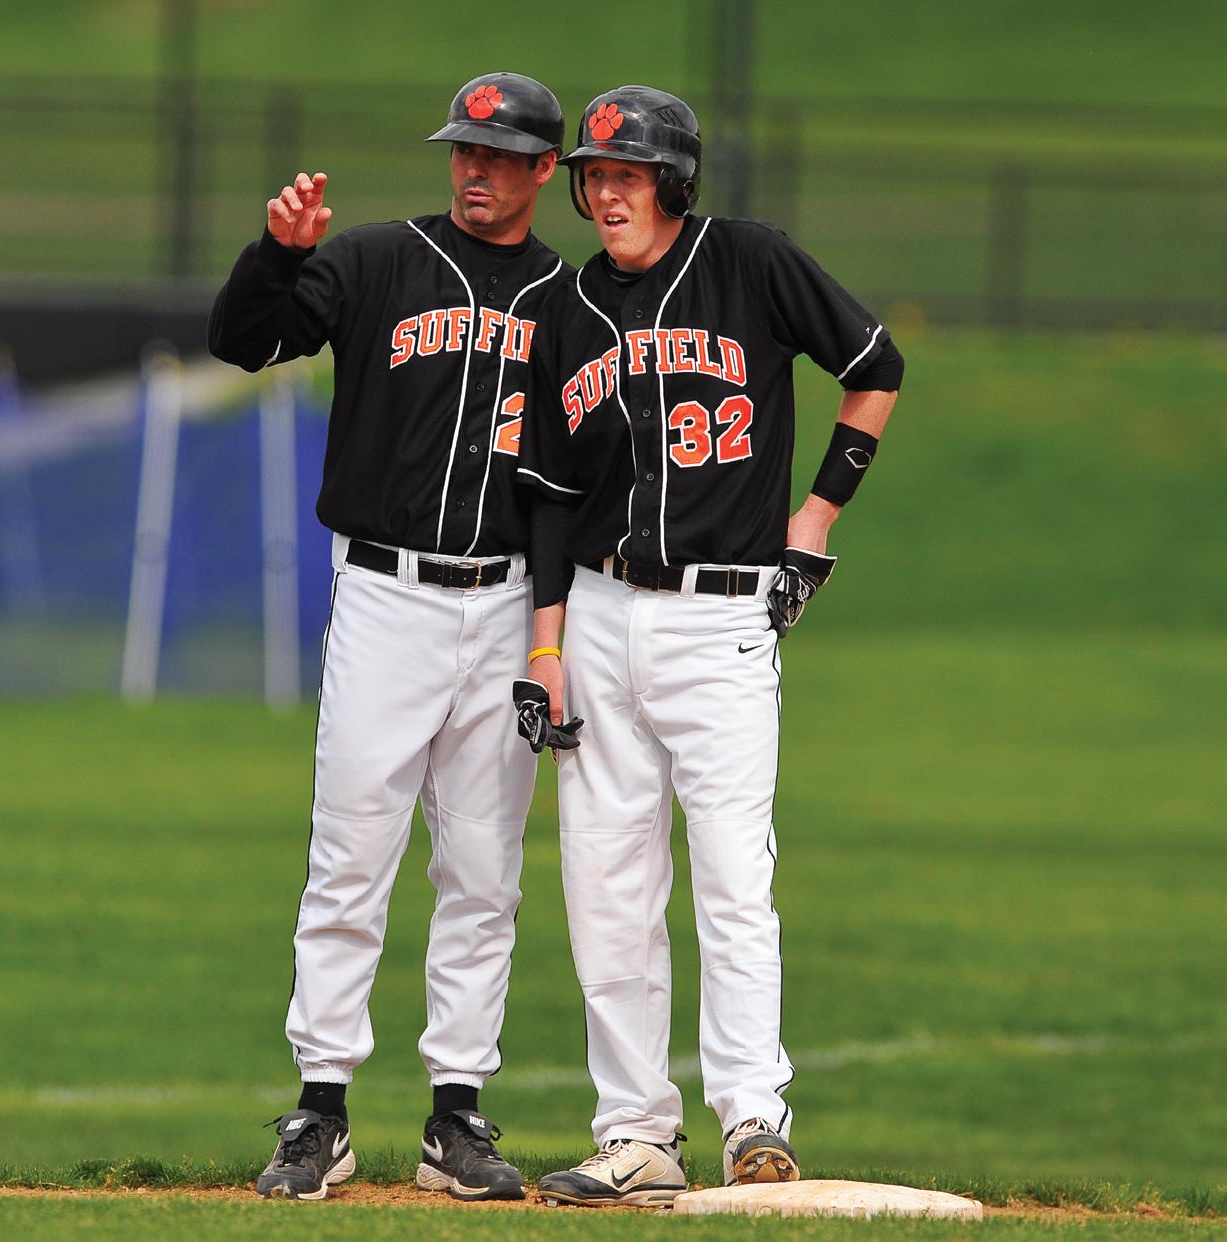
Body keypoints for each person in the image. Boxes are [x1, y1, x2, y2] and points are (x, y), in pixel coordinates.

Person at [516, 85, 905, 1208]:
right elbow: (549, 495)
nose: (605, 195)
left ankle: (752, 1119)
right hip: (598, 614)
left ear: (674, 183)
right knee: (606, 886)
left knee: (734, 879)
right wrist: (545, 647)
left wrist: (815, 520)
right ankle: (635, 1133)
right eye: (593, 177)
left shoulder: (749, 262)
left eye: (627, 176)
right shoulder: (569, 307)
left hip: (722, 617)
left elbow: (875, 367)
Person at [208, 72, 570, 1203]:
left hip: (509, 605)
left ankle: (457, 1115)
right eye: (464, 148)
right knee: (351, 851)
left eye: (499, 154)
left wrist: (554, 637)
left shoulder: (570, 298)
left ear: (543, 170)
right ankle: (319, 1110)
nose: (475, 168)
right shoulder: (373, 261)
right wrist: (277, 256)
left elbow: (576, 482)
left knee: (483, 869)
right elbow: (242, 341)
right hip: (385, 594)